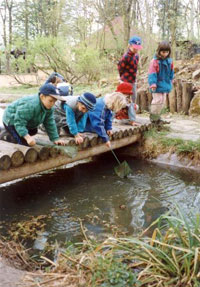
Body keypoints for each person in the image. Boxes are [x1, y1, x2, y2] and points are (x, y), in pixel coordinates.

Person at [2, 83, 66, 146]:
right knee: (23, 143)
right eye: (50, 101)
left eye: (54, 102)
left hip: (23, 120)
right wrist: (27, 137)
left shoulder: (49, 107)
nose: (52, 104)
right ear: (42, 97)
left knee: (34, 131)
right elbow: (19, 122)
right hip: (11, 120)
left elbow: (50, 122)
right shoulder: (31, 106)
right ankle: (7, 136)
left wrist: (55, 138)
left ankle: (14, 135)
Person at [117, 35, 142, 125]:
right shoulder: (126, 57)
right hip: (125, 81)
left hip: (133, 81)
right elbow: (120, 68)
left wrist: (134, 80)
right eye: (134, 47)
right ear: (130, 45)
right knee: (124, 100)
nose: (136, 49)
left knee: (133, 99)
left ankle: (130, 117)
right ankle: (129, 119)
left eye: (137, 48)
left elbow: (135, 68)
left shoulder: (136, 56)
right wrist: (122, 80)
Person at [148, 41, 174, 123]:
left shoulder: (170, 61)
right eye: (163, 52)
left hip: (165, 84)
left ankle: (158, 117)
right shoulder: (154, 61)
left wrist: (171, 81)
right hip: (157, 84)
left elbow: (171, 72)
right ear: (159, 51)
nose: (165, 54)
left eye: (167, 52)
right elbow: (152, 73)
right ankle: (153, 117)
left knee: (162, 101)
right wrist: (152, 83)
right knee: (157, 100)